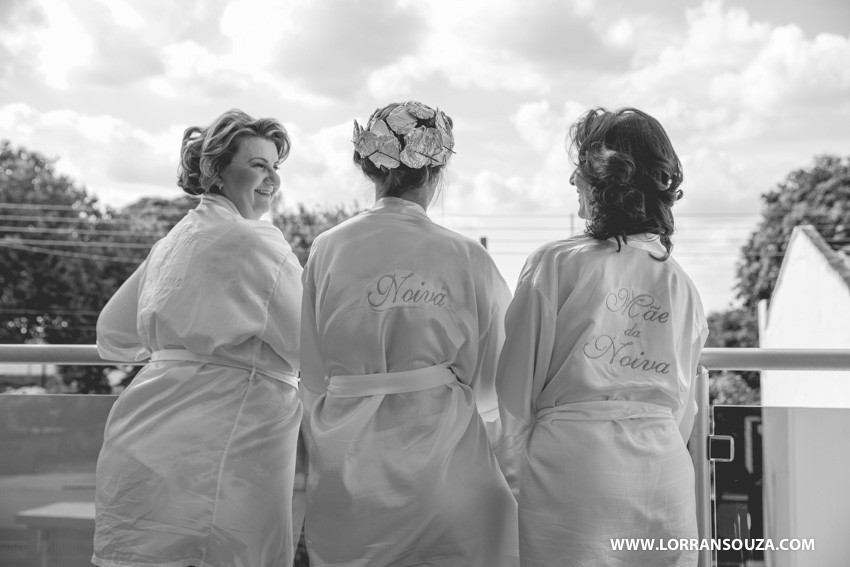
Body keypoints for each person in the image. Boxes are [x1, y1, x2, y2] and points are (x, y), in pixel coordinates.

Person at [299, 101, 519, 566]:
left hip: (347, 465)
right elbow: (498, 378)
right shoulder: (466, 256)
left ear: (369, 168)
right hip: (447, 462)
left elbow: (313, 371)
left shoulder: (327, 248)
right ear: (437, 172)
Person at [496, 107, 708, 566]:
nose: (573, 181)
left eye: (580, 169)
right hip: (663, 472)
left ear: (604, 178)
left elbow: (514, 391)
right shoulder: (681, 284)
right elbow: (684, 407)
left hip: (574, 469)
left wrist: (518, 470)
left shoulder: (553, 264)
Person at [92, 109, 303, 567]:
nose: (271, 180)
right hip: (223, 449)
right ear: (217, 171)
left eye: (275, 167)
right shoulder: (256, 241)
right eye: (257, 165)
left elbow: (112, 335)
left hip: (141, 433)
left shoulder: (172, 242)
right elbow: (313, 345)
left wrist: (178, 348)